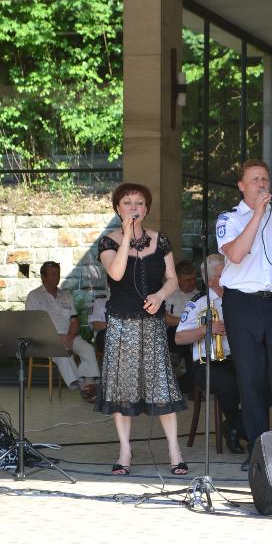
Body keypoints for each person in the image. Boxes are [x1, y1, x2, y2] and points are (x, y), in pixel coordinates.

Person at [216, 159, 272, 471]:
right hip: (242, 303)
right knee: (250, 375)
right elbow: (236, 254)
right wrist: (256, 215)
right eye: (254, 179)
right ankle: (257, 448)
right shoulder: (229, 218)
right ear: (241, 186)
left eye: (264, 178)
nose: (261, 184)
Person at [95, 182, 188, 476]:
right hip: (122, 324)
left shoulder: (160, 240)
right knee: (122, 389)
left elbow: (172, 279)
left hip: (153, 324)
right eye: (127, 202)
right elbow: (116, 273)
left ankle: (174, 451)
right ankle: (125, 451)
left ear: (146, 209)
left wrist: (160, 296)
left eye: (139, 203)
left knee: (161, 386)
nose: (133, 207)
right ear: (117, 208)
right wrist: (126, 237)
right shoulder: (108, 242)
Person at [175, 253, 246, 454]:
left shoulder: (240, 298)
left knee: (263, 383)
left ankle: (234, 426)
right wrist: (207, 329)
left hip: (237, 358)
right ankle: (241, 428)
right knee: (230, 386)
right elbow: (179, 338)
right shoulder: (199, 303)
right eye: (225, 274)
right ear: (212, 280)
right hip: (207, 362)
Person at [25, 261, 100, 402]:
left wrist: (70, 336)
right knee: (63, 354)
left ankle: (90, 384)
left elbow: (74, 320)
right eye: (53, 274)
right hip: (47, 340)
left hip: (69, 336)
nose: (57, 277)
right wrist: (58, 338)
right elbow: (33, 325)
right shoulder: (34, 296)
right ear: (43, 277)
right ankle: (83, 387)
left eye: (58, 273)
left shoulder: (66, 295)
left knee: (88, 348)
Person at [165, 260, 197, 392]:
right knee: (176, 330)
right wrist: (184, 322)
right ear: (178, 279)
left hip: (194, 334)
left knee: (192, 349)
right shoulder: (167, 293)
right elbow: (164, 318)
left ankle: (192, 387)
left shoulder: (199, 296)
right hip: (171, 334)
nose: (192, 282)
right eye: (188, 280)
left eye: (194, 278)